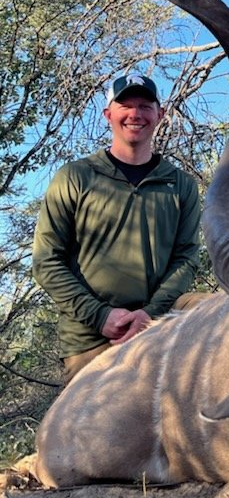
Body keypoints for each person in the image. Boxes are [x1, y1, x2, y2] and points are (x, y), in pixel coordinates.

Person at [32, 71, 204, 383]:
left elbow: (187, 258)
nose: (135, 114)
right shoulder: (75, 177)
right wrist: (101, 316)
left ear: (160, 115)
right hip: (93, 336)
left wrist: (150, 315)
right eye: (125, 106)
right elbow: (46, 261)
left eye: (145, 105)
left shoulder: (180, 185)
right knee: (90, 429)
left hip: (162, 318)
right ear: (108, 114)